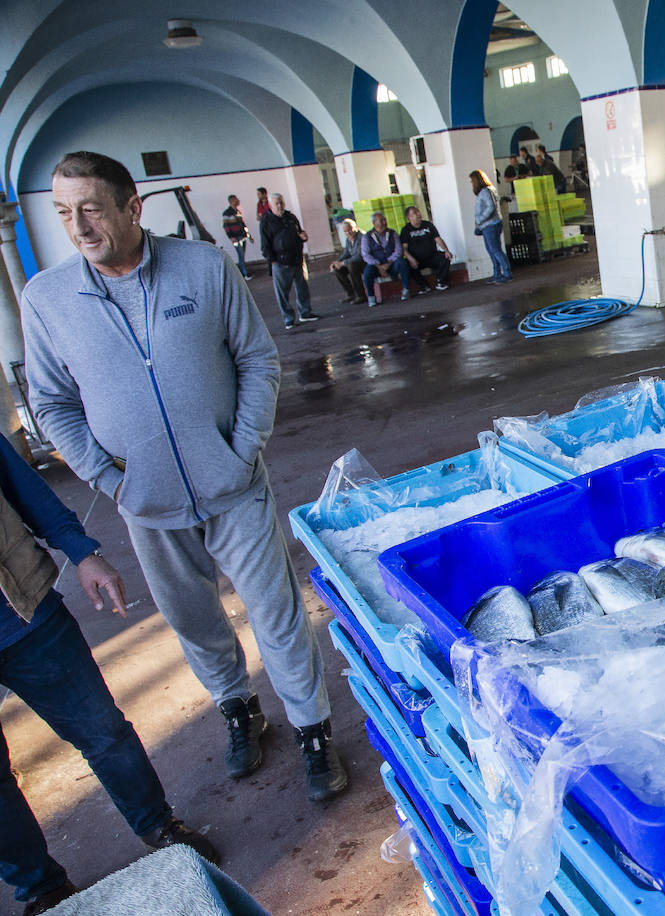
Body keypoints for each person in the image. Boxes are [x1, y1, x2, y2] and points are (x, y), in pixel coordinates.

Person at [21, 151, 349, 805]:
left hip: (235, 488)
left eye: (91, 208)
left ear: (131, 207)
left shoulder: (202, 267)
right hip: (145, 503)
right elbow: (52, 403)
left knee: (278, 616)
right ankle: (238, 710)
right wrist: (107, 478)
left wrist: (240, 446)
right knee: (194, 622)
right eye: (63, 213)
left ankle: (313, 731)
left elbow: (257, 358)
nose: (79, 226)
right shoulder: (47, 299)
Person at [0, 434, 219, 915]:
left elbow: (25, 490)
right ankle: (41, 887)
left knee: (103, 731)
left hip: (25, 613)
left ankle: (157, 826)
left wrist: (82, 552)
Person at [258, 193, 318, 329]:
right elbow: (265, 245)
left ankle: (305, 313)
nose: (279, 206)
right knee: (282, 293)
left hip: (297, 258)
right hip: (280, 262)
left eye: (281, 203)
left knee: (302, 287)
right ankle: (288, 318)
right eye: (276, 204)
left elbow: (300, 232)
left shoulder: (290, 217)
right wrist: (272, 261)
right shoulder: (266, 221)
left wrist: (303, 237)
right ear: (270, 205)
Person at [360, 211, 413, 306]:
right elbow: (366, 255)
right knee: (367, 272)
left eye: (384, 220)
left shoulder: (392, 233)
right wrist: (379, 266)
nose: (384, 222)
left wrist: (388, 262)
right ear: (374, 223)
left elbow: (398, 251)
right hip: (376, 265)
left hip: (391, 264)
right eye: (381, 220)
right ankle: (371, 297)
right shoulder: (367, 237)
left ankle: (406, 289)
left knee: (402, 263)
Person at [470, 170, 512, 285]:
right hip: (492, 224)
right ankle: (497, 274)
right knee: (493, 250)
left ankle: (506, 274)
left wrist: (480, 220)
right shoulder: (490, 190)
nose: (471, 183)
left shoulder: (484, 192)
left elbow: (490, 207)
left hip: (490, 225)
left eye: (472, 181)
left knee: (495, 250)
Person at [400, 206, 453, 293]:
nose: (418, 214)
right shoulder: (406, 230)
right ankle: (423, 286)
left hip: (432, 256)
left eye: (418, 212)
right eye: (414, 213)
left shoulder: (428, 225)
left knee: (445, 257)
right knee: (407, 265)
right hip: (416, 259)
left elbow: (438, 239)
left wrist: (446, 250)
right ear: (409, 217)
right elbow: (404, 248)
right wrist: (411, 259)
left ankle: (441, 281)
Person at [329, 218, 366, 305]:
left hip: (365, 262)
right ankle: (351, 294)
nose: (348, 233)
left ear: (355, 228)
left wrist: (343, 263)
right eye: (345, 231)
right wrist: (337, 262)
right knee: (337, 269)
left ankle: (361, 295)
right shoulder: (348, 239)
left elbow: (360, 256)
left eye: (349, 230)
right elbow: (346, 254)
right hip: (354, 262)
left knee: (351, 266)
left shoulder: (363, 237)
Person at [220, 194, 252, 279]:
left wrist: (249, 236)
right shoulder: (226, 213)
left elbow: (243, 225)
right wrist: (231, 237)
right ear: (231, 201)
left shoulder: (238, 212)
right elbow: (226, 226)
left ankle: (243, 272)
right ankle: (245, 273)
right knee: (240, 255)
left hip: (242, 236)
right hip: (235, 238)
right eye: (236, 199)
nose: (238, 200)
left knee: (242, 255)